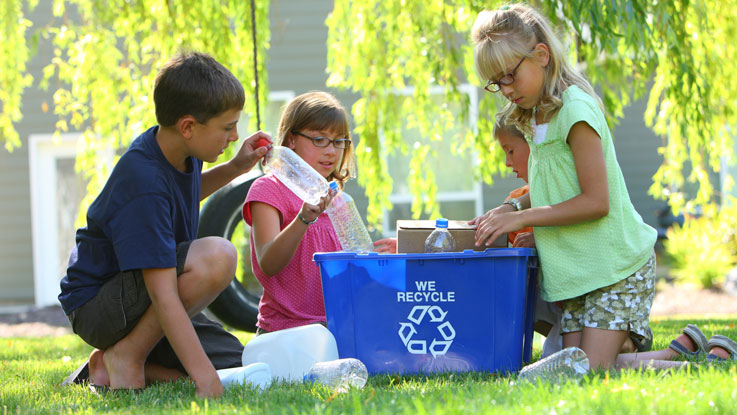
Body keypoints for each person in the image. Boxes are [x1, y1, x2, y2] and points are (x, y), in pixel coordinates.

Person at [58, 52, 271, 398]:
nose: (234, 136)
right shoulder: (143, 178)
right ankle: (128, 355)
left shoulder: (177, 150)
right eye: (227, 127)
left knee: (235, 361)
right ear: (188, 126)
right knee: (218, 256)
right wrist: (206, 382)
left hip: (138, 298)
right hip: (99, 304)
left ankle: (105, 363)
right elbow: (161, 292)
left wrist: (235, 168)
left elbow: (181, 194)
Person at [470, 4, 662, 370]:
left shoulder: (575, 111)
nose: (505, 90)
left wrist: (524, 218)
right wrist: (513, 208)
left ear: (541, 56)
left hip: (616, 268)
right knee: (569, 369)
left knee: (589, 370)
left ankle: (687, 361)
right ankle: (666, 352)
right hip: (578, 274)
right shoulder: (535, 116)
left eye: (510, 76)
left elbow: (596, 201)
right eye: (497, 83)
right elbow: (554, 184)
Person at [494, 115, 651, 357]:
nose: (506, 162)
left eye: (511, 150)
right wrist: (513, 208)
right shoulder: (526, 196)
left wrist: (536, 232)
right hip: (576, 289)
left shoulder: (568, 175)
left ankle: (653, 350)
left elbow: (592, 212)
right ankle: (621, 342)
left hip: (611, 273)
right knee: (569, 362)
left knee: (586, 366)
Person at [243, 91, 356, 334]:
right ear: (291, 140)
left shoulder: (339, 200)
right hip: (286, 332)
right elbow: (268, 264)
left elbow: (352, 272)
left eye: (339, 141)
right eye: (319, 140)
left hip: (338, 327)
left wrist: (383, 254)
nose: (331, 151)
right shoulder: (268, 190)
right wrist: (303, 219)